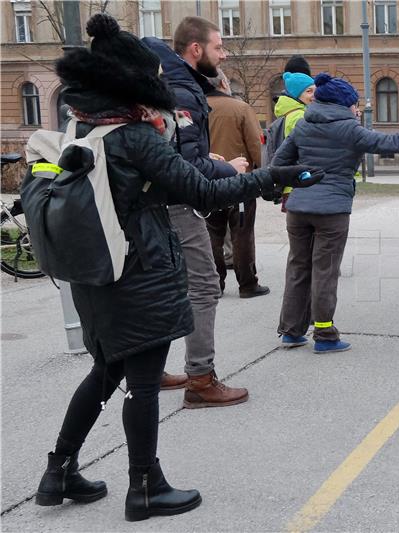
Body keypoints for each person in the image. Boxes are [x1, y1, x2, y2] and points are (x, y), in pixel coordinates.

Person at [33, 13, 320, 521]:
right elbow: (203, 191)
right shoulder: (135, 138)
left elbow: (172, 181)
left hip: (97, 272)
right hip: (138, 272)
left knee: (107, 370)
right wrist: (273, 175)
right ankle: (145, 486)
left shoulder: (84, 127)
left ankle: (58, 470)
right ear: (132, 83)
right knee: (142, 382)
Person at [273, 73, 399, 353]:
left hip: (298, 208)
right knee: (325, 270)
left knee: (298, 266)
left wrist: (302, 181)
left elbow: (279, 162)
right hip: (331, 211)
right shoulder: (349, 129)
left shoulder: (304, 124)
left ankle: (292, 332)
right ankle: (324, 335)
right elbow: (395, 144)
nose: (357, 110)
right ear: (343, 104)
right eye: (355, 104)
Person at [142, 18, 250, 407]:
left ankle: (149, 371)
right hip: (176, 206)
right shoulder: (184, 91)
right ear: (195, 49)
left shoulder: (165, 83)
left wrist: (206, 156)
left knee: (164, 288)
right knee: (204, 286)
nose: (223, 55)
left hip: (150, 203)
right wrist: (228, 168)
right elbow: (187, 171)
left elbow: (177, 154)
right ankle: (201, 380)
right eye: (219, 48)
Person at [205, 69, 270, 298]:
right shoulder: (240, 108)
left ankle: (215, 283)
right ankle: (247, 283)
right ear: (223, 83)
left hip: (207, 180)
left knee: (212, 233)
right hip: (239, 181)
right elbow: (255, 144)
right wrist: (260, 174)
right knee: (241, 233)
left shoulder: (196, 108)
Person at [273, 70, 315, 209]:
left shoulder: (293, 113)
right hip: (298, 180)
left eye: (315, 90)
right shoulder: (299, 116)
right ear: (297, 94)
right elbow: (305, 148)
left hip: (291, 181)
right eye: (309, 91)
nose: (314, 95)